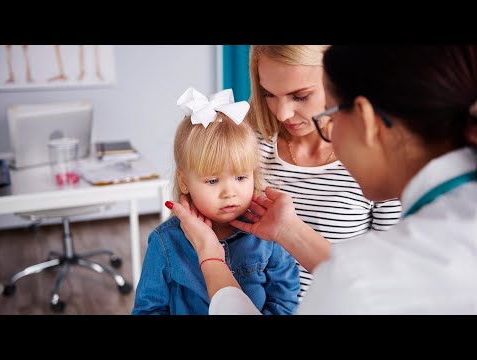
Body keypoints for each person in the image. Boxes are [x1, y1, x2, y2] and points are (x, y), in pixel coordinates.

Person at [168, 46, 477, 314]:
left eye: (329, 119)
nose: (285, 113)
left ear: (365, 119)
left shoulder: (360, 281)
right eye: (270, 95)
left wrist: (210, 257)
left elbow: (354, 282)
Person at [247, 45, 402, 299]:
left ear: (339, 79)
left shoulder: (378, 162)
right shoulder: (249, 143)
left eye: (300, 96)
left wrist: (290, 231)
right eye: (269, 94)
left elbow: (388, 285)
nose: (283, 113)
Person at [131, 87, 300, 315]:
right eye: (212, 181)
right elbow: (148, 309)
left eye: (241, 177)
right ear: (184, 182)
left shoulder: (268, 237)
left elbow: (284, 300)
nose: (229, 193)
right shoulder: (165, 242)